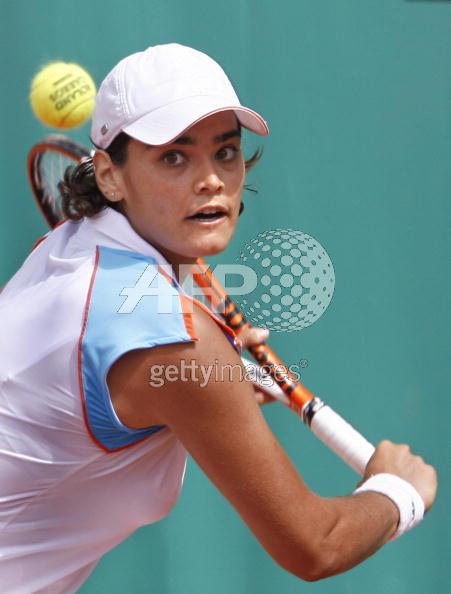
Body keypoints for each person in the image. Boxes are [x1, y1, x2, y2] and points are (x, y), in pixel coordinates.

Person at [0, 43, 437, 593]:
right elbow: (314, 546)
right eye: (174, 157)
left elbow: (70, 400)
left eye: (225, 153)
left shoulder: (64, 248)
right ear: (110, 175)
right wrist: (397, 493)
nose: (210, 180)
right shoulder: (174, 339)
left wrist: (207, 385)